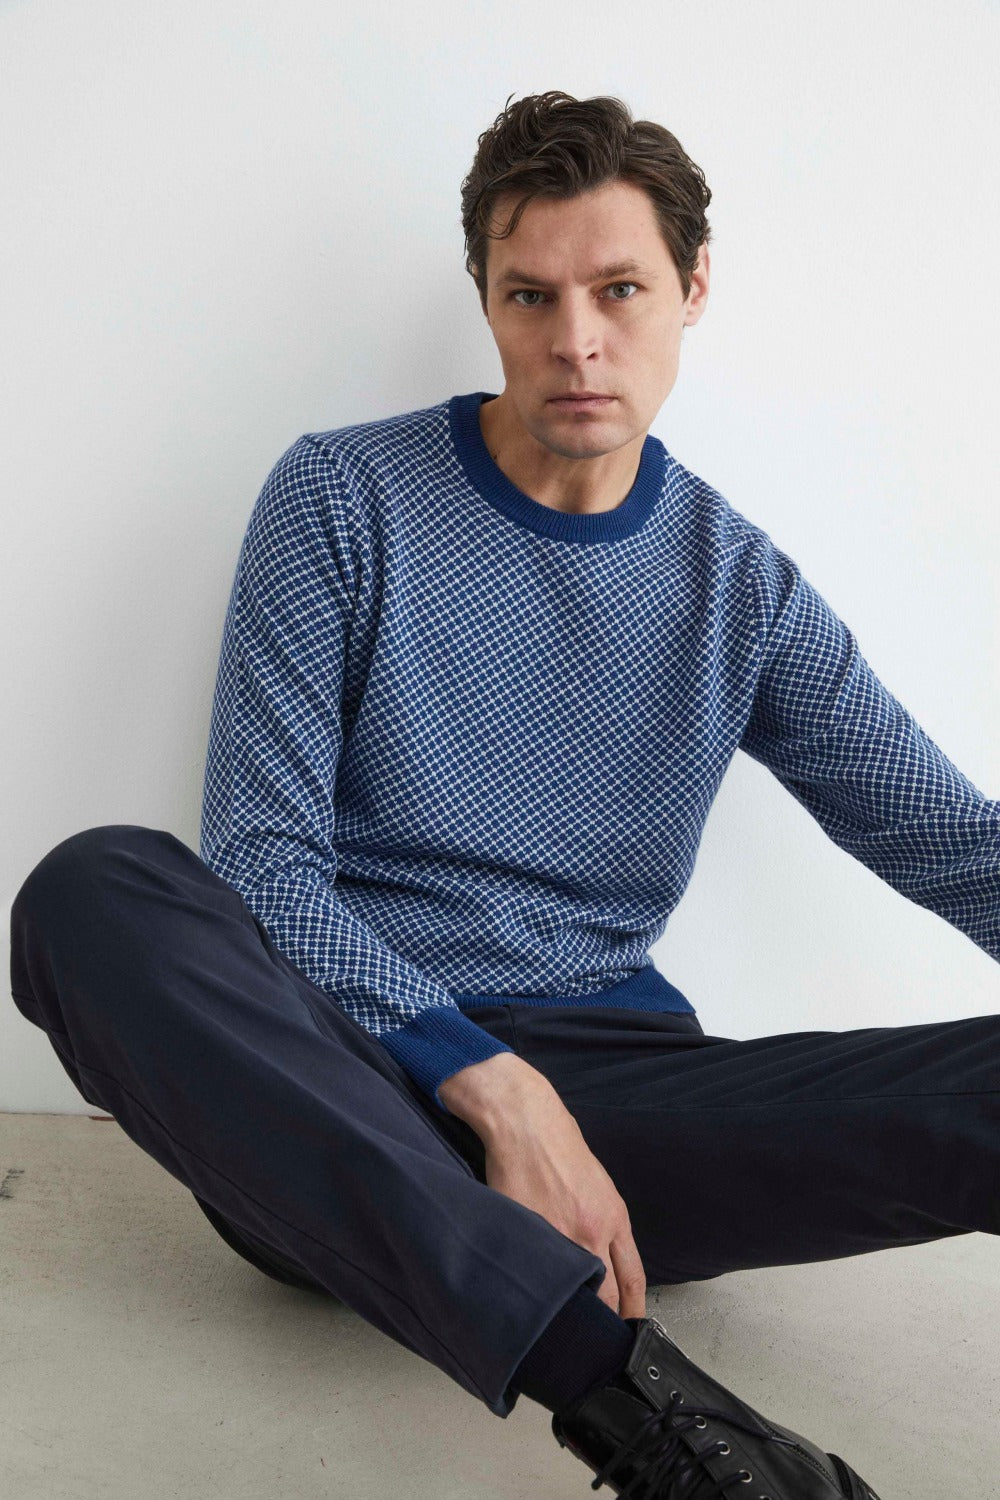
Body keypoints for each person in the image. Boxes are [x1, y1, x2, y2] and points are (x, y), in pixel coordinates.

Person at [10, 89, 999, 1499]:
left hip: (626, 1120)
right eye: (531, 295)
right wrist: (494, 1089)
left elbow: (952, 842)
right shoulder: (343, 499)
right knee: (91, 892)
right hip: (342, 1088)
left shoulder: (737, 587)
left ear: (692, 289)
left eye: (619, 290)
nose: (576, 340)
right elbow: (266, 864)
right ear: (485, 296)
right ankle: (641, 1413)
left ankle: (510, 1278)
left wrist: (558, 1108)